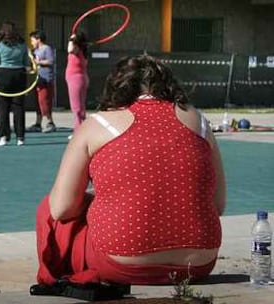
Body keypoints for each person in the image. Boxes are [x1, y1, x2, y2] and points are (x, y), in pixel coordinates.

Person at [35, 55, 226, 286]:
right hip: (197, 264)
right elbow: (217, 204)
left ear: (115, 86)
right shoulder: (200, 122)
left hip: (121, 263)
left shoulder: (98, 124)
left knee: (48, 206)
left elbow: (61, 208)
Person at [0, 21, 30, 146]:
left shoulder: (0, 45)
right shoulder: (22, 45)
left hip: (3, 76)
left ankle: (3, 137)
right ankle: (20, 137)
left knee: (3, 107)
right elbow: (26, 63)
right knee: (19, 107)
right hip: (19, 75)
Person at [27, 30, 56, 133]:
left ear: (38, 39)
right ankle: (38, 123)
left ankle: (50, 123)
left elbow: (50, 61)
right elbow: (33, 65)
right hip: (37, 80)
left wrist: (37, 62)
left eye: (32, 40)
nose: (31, 42)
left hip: (46, 80)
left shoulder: (46, 48)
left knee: (44, 102)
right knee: (38, 102)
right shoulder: (35, 51)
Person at [65, 31, 89, 135]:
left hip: (75, 79)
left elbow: (69, 49)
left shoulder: (75, 50)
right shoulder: (83, 51)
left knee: (76, 107)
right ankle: (82, 129)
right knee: (81, 107)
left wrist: (71, 40)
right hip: (81, 79)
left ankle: (78, 132)